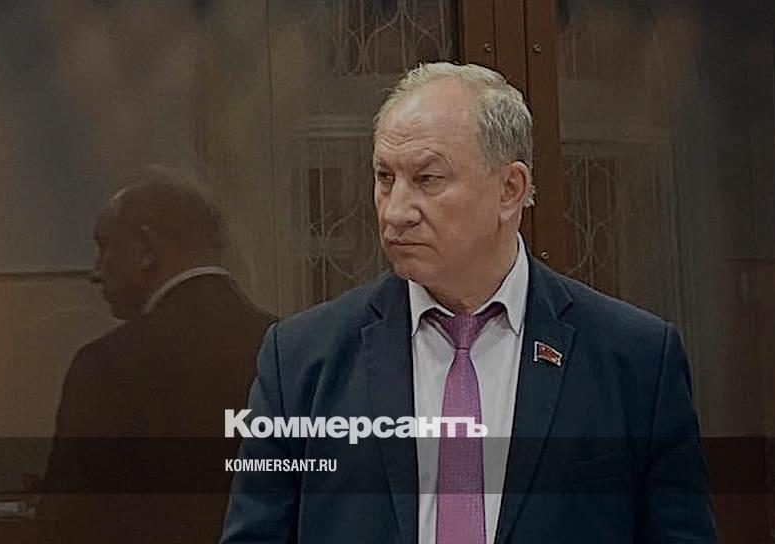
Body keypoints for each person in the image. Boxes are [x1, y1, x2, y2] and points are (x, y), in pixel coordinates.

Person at [221, 62, 716, 543]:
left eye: (427, 179)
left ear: (509, 190)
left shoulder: (635, 360)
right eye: (385, 178)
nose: (396, 211)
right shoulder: (301, 360)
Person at [42, 167, 275, 543]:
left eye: (105, 247)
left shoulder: (106, 366)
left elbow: (70, 521)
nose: (95, 272)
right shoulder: (294, 352)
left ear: (146, 249)